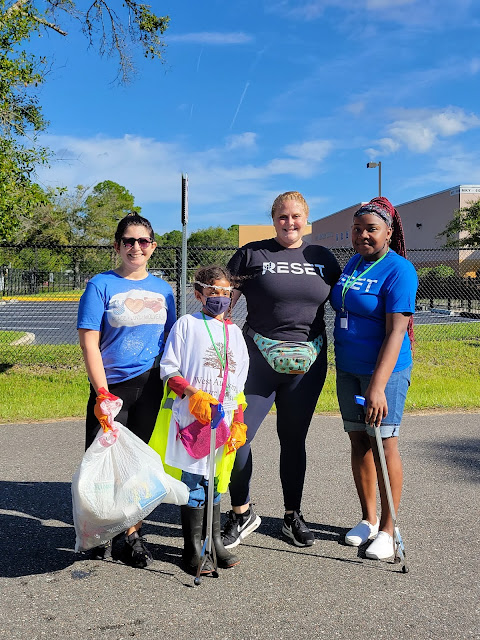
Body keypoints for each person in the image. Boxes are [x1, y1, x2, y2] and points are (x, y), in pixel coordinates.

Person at [223, 191, 341, 548]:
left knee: (293, 441)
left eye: (296, 216)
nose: (289, 223)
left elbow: (350, 299)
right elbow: (222, 303)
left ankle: (292, 516)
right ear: (273, 219)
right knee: (237, 438)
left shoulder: (322, 258)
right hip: (257, 360)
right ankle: (241, 513)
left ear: (306, 218)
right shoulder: (251, 254)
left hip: (307, 363)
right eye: (282, 217)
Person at [77, 212, 176, 568]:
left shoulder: (164, 289)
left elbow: (170, 341)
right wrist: (102, 392)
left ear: (152, 246)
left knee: (138, 465)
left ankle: (131, 534)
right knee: (102, 463)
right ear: (118, 246)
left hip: (150, 386)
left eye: (143, 241)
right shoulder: (101, 285)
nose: (136, 247)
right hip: (111, 388)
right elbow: (89, 341)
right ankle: (100, 532)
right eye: (129, 241)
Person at [330, 196, 418, 560]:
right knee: (359, 442)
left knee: (384, 444)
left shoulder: (400, 270)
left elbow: (396, 333)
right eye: (357, 229)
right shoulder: (353, 261)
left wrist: (378, 386)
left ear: (389, 232)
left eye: (371, 229)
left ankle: (388, 528)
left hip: (383, 374)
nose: (362, 235)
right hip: (348, 369)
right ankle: (368, 520)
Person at [158, 265, 249, 575]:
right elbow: (169, 370)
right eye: (213, 292)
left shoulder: (235, 333)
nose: (220, 298)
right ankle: (193, 549)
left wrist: (238, 416)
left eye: (226, 293)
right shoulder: (187, 325)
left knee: (216, 481)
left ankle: (213, 543)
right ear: (198, 293)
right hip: (194, 418)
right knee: (195, 482)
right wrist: (193, 395)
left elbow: (239, 380)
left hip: (223, 422)